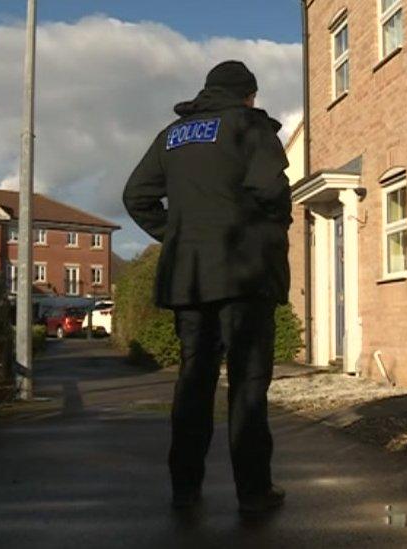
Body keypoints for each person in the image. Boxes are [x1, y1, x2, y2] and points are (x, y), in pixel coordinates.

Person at [123, 60, 291, 514]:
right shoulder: (250, 127)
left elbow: (135, 196)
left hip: (189, 278)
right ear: (248, 95)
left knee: (194, 382)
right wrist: (267, 232)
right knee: (247, 384)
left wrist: (176, 235)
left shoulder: (173, 135)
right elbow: (271, 192)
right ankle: (253, 493)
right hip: (243, 274)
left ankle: (185, 489)